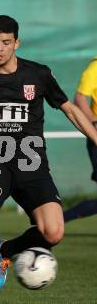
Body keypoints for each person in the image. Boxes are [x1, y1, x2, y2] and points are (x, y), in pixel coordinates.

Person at [0, 15, 97, 304]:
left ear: (16, 43)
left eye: (6, 43)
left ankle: (6, 250)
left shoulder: (38, 75)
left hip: (32, 166)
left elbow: (71, 110)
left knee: (54, 233)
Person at [63, 58, 97, 222]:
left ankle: (55, 221)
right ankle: (55, 221)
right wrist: (94, 123)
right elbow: (80, 98)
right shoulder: (95, 68)